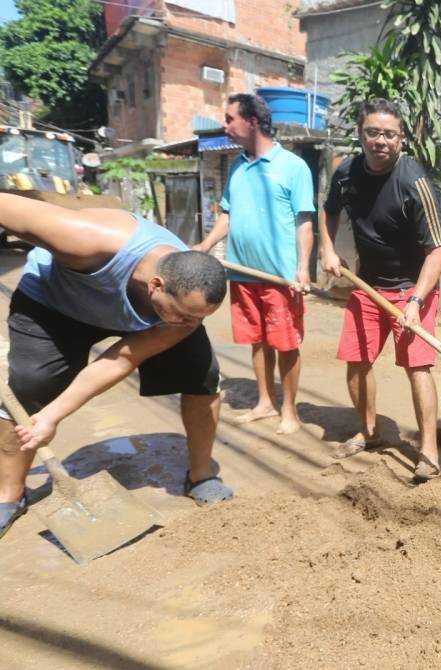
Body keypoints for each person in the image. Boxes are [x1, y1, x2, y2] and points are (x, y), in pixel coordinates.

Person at [0, 195, 232, 540]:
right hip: (55, 304)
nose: (190, 324)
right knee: (30, 385)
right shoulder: (84, 237)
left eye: (199, 317)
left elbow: (123, 357)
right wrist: (44, 411)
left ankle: (201, 476)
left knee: (201, 374)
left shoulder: (186, 313)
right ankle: (9, 495)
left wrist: (54, 416)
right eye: (184, 315)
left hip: (137, 316)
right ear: (157, 284)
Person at [319, 99, 441, 482]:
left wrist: (416, 302)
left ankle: (429, 451)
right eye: (372, 132)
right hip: (368, 285)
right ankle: (370, 430)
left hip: (413, 288)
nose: (380, 141)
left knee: (417, 367)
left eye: (389, 134)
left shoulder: (414, 182)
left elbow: (437, 250)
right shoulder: (346, 173)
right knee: (357, 361)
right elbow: (329, 211)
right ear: (361, 134)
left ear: (401, 139)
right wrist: (327, 248)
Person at [194, 93, 316, 435]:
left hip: (279, 276)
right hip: (243, 273)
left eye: (230, 118)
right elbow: (227, 216)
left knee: (286, 342)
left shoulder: (292, 167)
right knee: (258, 339)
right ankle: (265, 402)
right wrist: (205, 245)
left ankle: (289, 410)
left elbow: (304, 221)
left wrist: (302, 267)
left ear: (252, 122)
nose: (225, 125)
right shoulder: (237, 166)